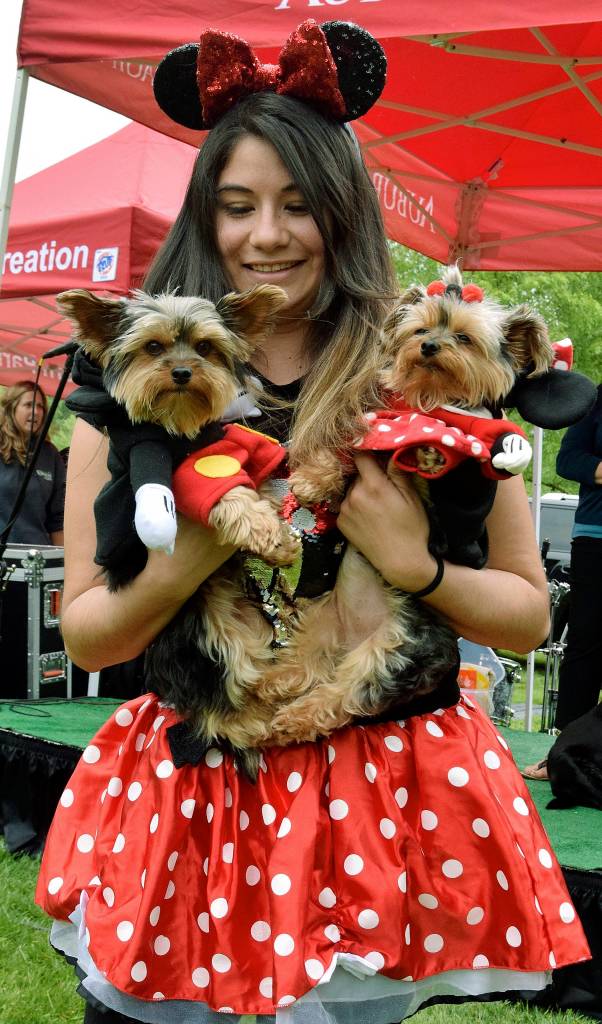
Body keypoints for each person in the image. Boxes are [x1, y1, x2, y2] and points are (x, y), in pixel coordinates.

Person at [36, 21, 589, 1024]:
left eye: (297, 205)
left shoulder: (427, 367)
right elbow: (87, 629)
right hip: (200, 790)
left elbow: (520, 618)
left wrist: (413, 564)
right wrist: (184, 561)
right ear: (203, 214)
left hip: (380, 797)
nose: (265, 236)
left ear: (340, 211)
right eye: (236, 205)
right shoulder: (133, 391)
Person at [523, 383, 602, 782]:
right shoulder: (595, 403)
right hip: (595, 538)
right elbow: (568, 460)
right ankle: (562, 753)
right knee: (586, 642)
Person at [0, 379, 65, 545]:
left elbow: (57, 518)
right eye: (28, 405)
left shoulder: (51, 455)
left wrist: (62, 563)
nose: (36, 412)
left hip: (38, 559)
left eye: (40, 406)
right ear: (10, 408)